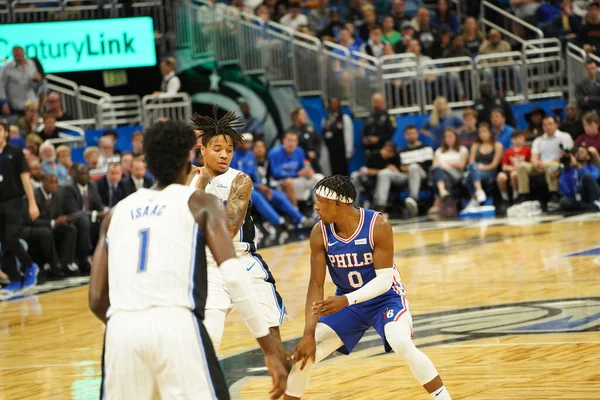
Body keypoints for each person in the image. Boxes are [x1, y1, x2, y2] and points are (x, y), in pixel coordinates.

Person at [88, 120, 287, 399]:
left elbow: (96, 298)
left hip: (121, 332)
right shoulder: (197, 202)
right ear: (192, 155)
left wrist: (129, 327)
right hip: (174, 322)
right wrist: (267, 349)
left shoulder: (116, 213)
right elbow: (233, 277)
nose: (223, 154)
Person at [284, 175, 451, 400]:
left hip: (385, 298)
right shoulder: (319, 232)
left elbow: (384, 281)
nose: (315, 206)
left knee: (401, 342)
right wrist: (308, 334)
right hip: (348, 303)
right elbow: (316, 285)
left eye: (320, 201)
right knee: (305, 357)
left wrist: (345, 300)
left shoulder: (377, 225)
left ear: (337, 204)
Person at [187, 110, 289, 361]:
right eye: (217, 148)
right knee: (211, 337)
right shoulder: (187, 177)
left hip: (242, 260)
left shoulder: (240, 180)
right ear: (203, 150)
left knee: (272, 341)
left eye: (229, 149)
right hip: (208, 265)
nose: (224, 154)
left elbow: (229, 228)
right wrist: (200, 183)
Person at [232, 133, 312, 230]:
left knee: (279, 196)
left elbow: (255, 174)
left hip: (257, 185)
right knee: (257, 196)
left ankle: (301, 219)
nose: (247, 145)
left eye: (249, 142)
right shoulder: (234, 156)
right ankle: (280, 223)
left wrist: (263, 187)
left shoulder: (251, 155)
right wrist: (259, 186)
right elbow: (237, 178)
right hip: (240, 188)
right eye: (244, 142)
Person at [0, 121, 40, 299]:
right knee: (4, 242)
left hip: (14, 201)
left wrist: (32, 203)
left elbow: (25, 179)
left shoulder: (15, 153)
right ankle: (15, 279)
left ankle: (30, 265)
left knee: (10, 237)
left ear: (6, 133)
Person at [22, 173, 77, 277]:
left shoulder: (57, 196)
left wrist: (65, 219)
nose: (54, 185)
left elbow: (58, 214)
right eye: (51, 182)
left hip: (49, 226)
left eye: (56, 182)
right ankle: (53, 265)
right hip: (30, 227)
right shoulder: (33, 196)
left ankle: (65, 263)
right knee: (45, 232)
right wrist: (53, 223)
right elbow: (30, 220)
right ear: (43, 182)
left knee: (70, 229)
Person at [517, 116, 574, 203]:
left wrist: (547, 162)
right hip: (541, 165)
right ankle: (524, 195)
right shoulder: (538, 140)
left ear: (556, 124)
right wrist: (535, 162)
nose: (547, 127)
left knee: (550, 166)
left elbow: (566, 156)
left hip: (557, 164)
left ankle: (554, 194)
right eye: (545, 125)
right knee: (522, 166)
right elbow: (534, 156)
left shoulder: (564, 137)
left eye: (550, 124)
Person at [62, 164, 108, 272]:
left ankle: (101, 255)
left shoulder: (92, 185)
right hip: (73, 219)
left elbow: (98, 204)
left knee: (104, 221)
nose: (85, 176)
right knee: (84, 222)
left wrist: (106, 210)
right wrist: (96, 214)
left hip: (89, 217)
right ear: (75, 175)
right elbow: (74, 211)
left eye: (87, 174)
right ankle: (83, 257)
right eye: (81, 174)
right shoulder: (68, 187)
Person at [269, 132, 324, 207]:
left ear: (297, 142)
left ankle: (318, 210)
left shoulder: (299, 150)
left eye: (294, 141)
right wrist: (297, 174)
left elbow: (304, 166)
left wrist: (308, 171)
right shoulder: (274, 153)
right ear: (283, 141)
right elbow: (276, 173)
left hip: (297, 180)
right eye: (289, 140)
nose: (291, 143)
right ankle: (296, 213)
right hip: (280, 183)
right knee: (289, 182)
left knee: (319, 178)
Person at [428, 128, 468, 214]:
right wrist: (443, 167)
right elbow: (434, 166)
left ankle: (437, 203)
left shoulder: (462, 149)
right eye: (447, 137)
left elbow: (461, 165)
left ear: (456, 137)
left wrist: (448, 164)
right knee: (438, 172)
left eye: (451, 136)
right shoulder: (439, 151)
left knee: (439, 174)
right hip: (442, 174)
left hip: (456, 174)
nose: (448, 139)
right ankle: (443, 193)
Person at [464, 123, 504, 210]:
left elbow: (495, 164)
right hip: (476, 170)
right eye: (480, 132)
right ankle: (479, 191)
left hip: (490, 171)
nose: (482, 134)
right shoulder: (475, 145)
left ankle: (474, 198)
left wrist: (483, 167)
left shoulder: (497, 145)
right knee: (471, 169)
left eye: (484, 132)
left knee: (469, 175)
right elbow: (471, 162)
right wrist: (477, 167)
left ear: (490, 132)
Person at [0, 46, 41, 118]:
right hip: (16, 105)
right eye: (16, 55)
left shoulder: (31, 63)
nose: (18, 57)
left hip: (31, 103)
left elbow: (35, 81)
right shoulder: (6, 67)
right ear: (13, 55)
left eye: (19, 55)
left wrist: (37, 80)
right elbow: (1, 86)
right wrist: (4, 104)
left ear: (23, 53)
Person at [558, 146, 600, 211]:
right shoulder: (569, 171)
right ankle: (589, 207)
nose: (579, 154)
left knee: (587, 177)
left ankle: (595, 204)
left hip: (590, 195)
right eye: (577, 152)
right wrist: (559, 179)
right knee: (563, 201)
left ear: (588, 156)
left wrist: (579, 167)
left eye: (582, 152)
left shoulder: (592, 168)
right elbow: (569, 192)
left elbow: (593, 178)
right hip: (578, 197)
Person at [497, 131, 532, 203]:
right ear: (512, 140)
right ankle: (505, 198)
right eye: (515, 138)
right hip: (510, 170)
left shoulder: (527, 150)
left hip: (521, 171)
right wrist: (512, 168)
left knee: (514, 175)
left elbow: (530, 163)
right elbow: (504, 166)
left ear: (524, 139)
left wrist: (517, 169)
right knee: (501, 177)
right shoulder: (508, 151)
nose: (518, 140)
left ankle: (516, 196)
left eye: (520, 138)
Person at [322, 97, 353, 176]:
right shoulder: (325, 119)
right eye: (332, 104)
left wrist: (348, 152)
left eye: (336, 104)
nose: (333, 106)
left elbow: (348, 135)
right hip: (330, 150)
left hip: (341, 150)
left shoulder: (344, 118)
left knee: (342, 172)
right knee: (332, 173)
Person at [288, 108, 322, 172]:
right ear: (296, 117)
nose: (305, 116)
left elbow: (318, 141)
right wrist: (306, 153)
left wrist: (315, 152)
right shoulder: (290, 132)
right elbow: (292, 148)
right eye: (302, 114)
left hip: (314, 162)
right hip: (300, 164)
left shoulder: (310, 128)